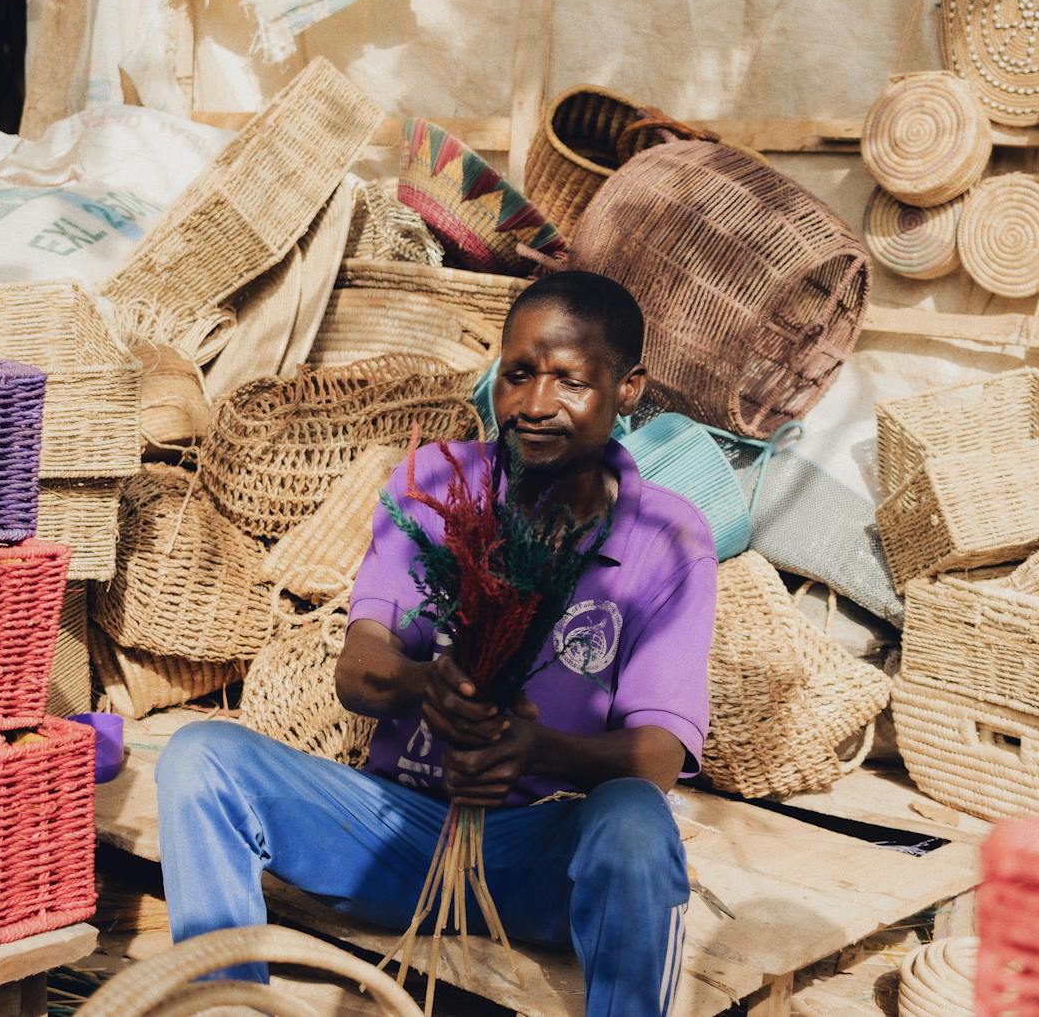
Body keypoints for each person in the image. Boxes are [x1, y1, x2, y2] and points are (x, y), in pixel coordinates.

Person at [155, 270, 718, 1016]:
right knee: (201, 759)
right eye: (518, 374)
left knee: (636, 826)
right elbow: (360, 668)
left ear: (628, 389)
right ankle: (226, 1006)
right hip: (400, 834)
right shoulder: (436, 482)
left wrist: (530, 749)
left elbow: (659, 758)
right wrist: (426, 685)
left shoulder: (667, 537)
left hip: (549, 860)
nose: (535, 404)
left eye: (571, 381)